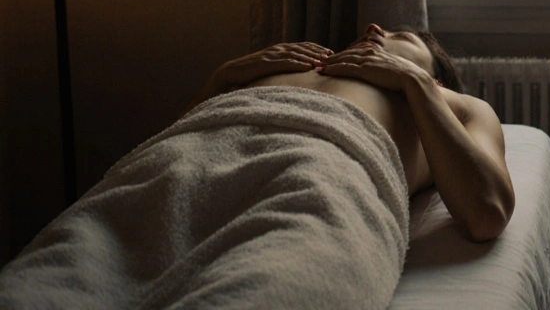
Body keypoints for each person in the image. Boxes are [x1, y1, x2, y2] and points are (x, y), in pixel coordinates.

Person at [0, 24, 515, 309]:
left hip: (318, 175)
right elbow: (180, 134)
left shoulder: (448, 104)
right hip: (181, 167)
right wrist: (225, 77)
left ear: (434, 71)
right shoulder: (292, 63)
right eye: (369, 27)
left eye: (399, 34)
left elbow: (486, 212)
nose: (373, 28)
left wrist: (416, 85)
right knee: (57, 279)